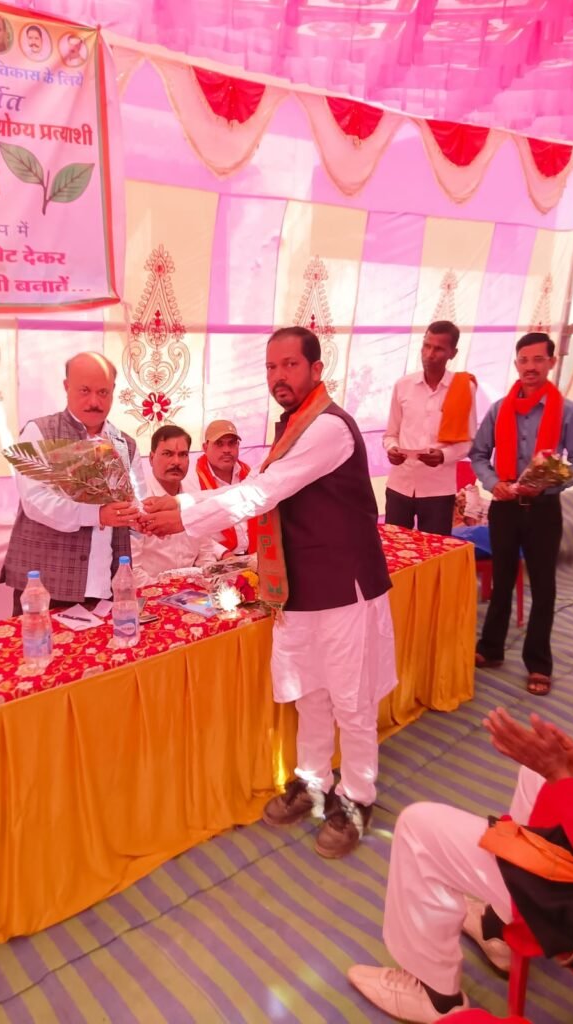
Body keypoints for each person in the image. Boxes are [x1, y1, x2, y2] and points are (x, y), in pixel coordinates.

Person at [141, 327, 397, 858]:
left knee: (351, 698)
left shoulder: (329, 427)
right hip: (299, 586)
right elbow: (252, 486)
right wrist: (181, 505)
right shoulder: (292, 428)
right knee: (310, 691)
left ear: (316, 369)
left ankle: (357, 797)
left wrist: (185, 517)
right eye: (271, 367)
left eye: (290, 365)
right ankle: (313, 780)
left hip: (345, 587)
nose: (279, 376)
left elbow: (263, 492)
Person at [347, 708, 573, 1023]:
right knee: (538, 773)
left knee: (417, 827)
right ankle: (500, 926)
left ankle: (436, 997)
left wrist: (566, 784)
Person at [470, 332, 573, 695]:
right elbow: (478, 454)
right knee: (502, 580)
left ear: (551, 362)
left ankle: (538, 664)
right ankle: (491, 649)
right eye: (524, 360)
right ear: (516, 364)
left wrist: (549, 483)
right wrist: (493, 483)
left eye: (538, 359)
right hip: (505, 507)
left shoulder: (567, 411)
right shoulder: (499, 409)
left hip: (544, 510)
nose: (530, 367)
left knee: (544, 587)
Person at [0, 353, 144, 615]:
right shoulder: (40, 432)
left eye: (103, 392)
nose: (94, 402)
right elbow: (35, 502)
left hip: (108, 582)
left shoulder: (125, 444)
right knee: (39, 642)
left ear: (113, 391)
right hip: (46, 585)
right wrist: (97, 514)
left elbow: (136, 501)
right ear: (67, 387)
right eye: (85, 391)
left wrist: (142, 516)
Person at [384, 321, 477, 536]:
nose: (429, 354)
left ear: (452, 353)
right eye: (426, 346)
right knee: (395, 547)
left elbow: (469, 441)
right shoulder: (403, 385)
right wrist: (392, 449)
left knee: (434, 550)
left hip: (438, 490)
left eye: (438, 349)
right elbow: (390, 434)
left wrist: (443, 456)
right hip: (400, 485)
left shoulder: (463, 388)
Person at [131, 425, 223, 587]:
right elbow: (132, 569)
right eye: (167, 454)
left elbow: (206, 554)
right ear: (151, 458)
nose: (176, 462)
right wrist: (168, 592)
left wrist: (203, 584)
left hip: (194, 590)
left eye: (183, 455)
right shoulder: (139, 502)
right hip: (150, 591)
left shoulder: (194, 498)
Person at [195, 419, 257, 556]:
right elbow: (193, 529)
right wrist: (222, 553)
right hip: (216, 559)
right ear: (205, 447)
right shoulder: (193, 480)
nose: (227, 450)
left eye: (232, 443)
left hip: (255, 554)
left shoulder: (250, 475)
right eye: (219, 444)